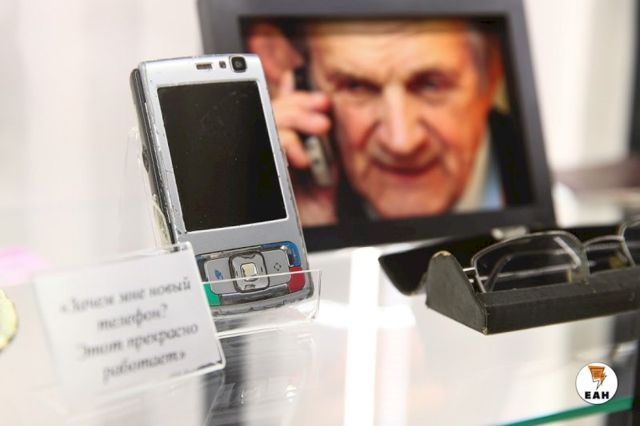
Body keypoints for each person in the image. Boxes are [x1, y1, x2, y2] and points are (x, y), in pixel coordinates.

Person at [247, 19, 508, 226]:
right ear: (298, 78)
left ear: (492, 72)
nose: (401, 142)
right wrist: (304, 233)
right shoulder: (294, 198)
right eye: (357, 87)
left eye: (431, 85)